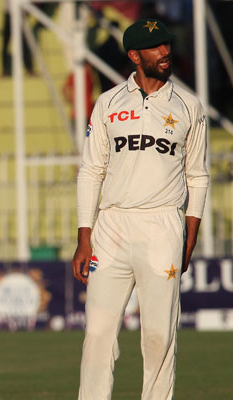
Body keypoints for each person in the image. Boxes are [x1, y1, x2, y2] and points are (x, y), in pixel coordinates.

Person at [72, 18, 208, 399]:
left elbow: (197, 176)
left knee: (159, 336)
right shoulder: (109, 102)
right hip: (111, 225)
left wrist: (189, 236)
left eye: (166, 44)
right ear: (134, 56)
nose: (164, 52)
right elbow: (91, 170)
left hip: (163, 223)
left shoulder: (189, 106)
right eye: (155, 47)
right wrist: (85, 236)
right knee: (98, 334)